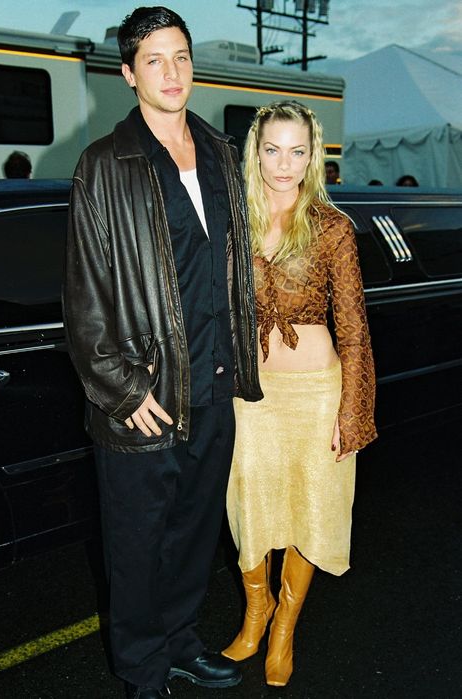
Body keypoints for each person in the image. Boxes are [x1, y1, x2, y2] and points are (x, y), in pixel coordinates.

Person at [62, 7, 262, 699]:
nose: (171, 71)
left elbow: (230, 268)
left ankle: (180, 643)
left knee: (192, 537)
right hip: (143, 401)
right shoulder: (103, 166)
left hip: (212, 386)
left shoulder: (217, 151)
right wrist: (121, 391)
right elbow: (84, 300)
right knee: (137, 549)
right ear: (127, 74)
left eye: (180, 56)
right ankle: (144, 671)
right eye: (154, 60)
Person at [221, 101, 377, 687]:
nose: (283, 165)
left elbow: (354, 326)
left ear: (313, 157)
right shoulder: (235, 219)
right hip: (251, 395)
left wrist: (351, 410)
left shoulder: (332, 226)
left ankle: (285, 624)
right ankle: (255, 612)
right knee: (251, 509)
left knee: (313, 511)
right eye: (271, 150)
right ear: (254, 152)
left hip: (316, 394)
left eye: (297, 151)